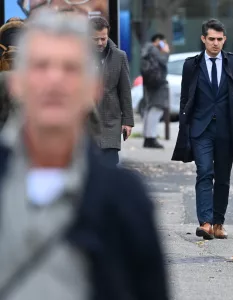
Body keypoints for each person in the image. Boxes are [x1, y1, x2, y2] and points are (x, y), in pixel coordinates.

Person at [0, 9, 169, 299]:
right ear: (15, 82)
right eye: (41, 66)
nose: (54, 79)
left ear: (93, 88)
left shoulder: (126, 199)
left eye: (70, 68)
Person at [172, 19, 233, 240]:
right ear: (203, 39)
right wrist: (185, 126)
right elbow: (185, 97)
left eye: (219, 39)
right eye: (211, 39)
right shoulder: (192, 65)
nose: (216, 43)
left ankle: (218, 222)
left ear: (224, 39)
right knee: (204, 172)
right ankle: (205, 222)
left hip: (227, 129)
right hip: (200, 129)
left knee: (223, 177)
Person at [89, 16, 134, 165]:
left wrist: (128, 121)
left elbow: (125, 90)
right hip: (85, 123)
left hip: (111, 121)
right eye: (95, 39)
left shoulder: (119, 57)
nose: (100, 43)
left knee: (109, 166)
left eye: (103, 38)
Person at [141, 33, 170, 149]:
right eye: (164, 42)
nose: (165, 44)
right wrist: (166, 51)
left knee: (151, 109)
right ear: (158, 40)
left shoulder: (146, 50)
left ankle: (148, 137)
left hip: (151, 82)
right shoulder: (153, 49)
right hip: (157, 83)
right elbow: (163, 61)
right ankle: (150, 138)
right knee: (156, 109)